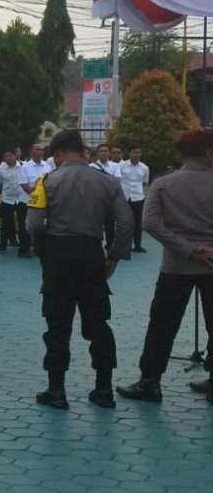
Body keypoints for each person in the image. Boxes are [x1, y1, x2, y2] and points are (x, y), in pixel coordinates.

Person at [26, 129, 133, 410]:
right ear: (82, 150)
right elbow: (127, 224)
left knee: (58, 324)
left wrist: (44, 247)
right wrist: (113, 257)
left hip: (59, 257)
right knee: (98, 323)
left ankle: (57, 390)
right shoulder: (108, 183)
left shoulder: (47, 181)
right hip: (91, 255)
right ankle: (103, 389)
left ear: (59, 153)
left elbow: (33, 225)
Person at [116, 129, 213, 405]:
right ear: (208, 153)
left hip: (176, 266)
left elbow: (150, 224)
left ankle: (150, 382)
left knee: (162, 324)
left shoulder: (163, 184)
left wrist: (188, 249)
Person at [0, 148, 31, 257]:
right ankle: (3, 245)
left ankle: (24, 246)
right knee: (6, 223)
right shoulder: (0, 169)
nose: (8, 158)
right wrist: (5, 193)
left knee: (23, 223)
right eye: (6, 156)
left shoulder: (24, 167)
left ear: (16, 156)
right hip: (7, 200)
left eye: (10, 155)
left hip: (21, 199)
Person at [119, 146, 150, 254]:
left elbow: (145, 183)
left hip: (138, 198)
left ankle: (137, 246)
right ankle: (124, 246)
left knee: (138, 224)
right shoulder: (121, 165)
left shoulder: (145, 168)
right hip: (124, 198)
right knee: (124, 223)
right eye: (134, 152)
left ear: (141, 154)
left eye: (138, 152)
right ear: (129, 153)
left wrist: (143, 195)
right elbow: (118, 180)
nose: (136, 154)